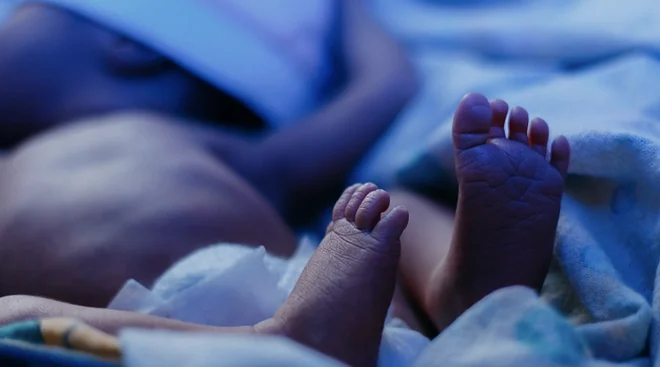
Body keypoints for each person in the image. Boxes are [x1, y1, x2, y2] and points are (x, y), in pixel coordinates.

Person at [0, 0, 416, 306]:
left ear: (130, 46)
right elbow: (386, 82)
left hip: (244, 309)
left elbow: (385, 84)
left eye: (19, 14)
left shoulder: (209, 153)